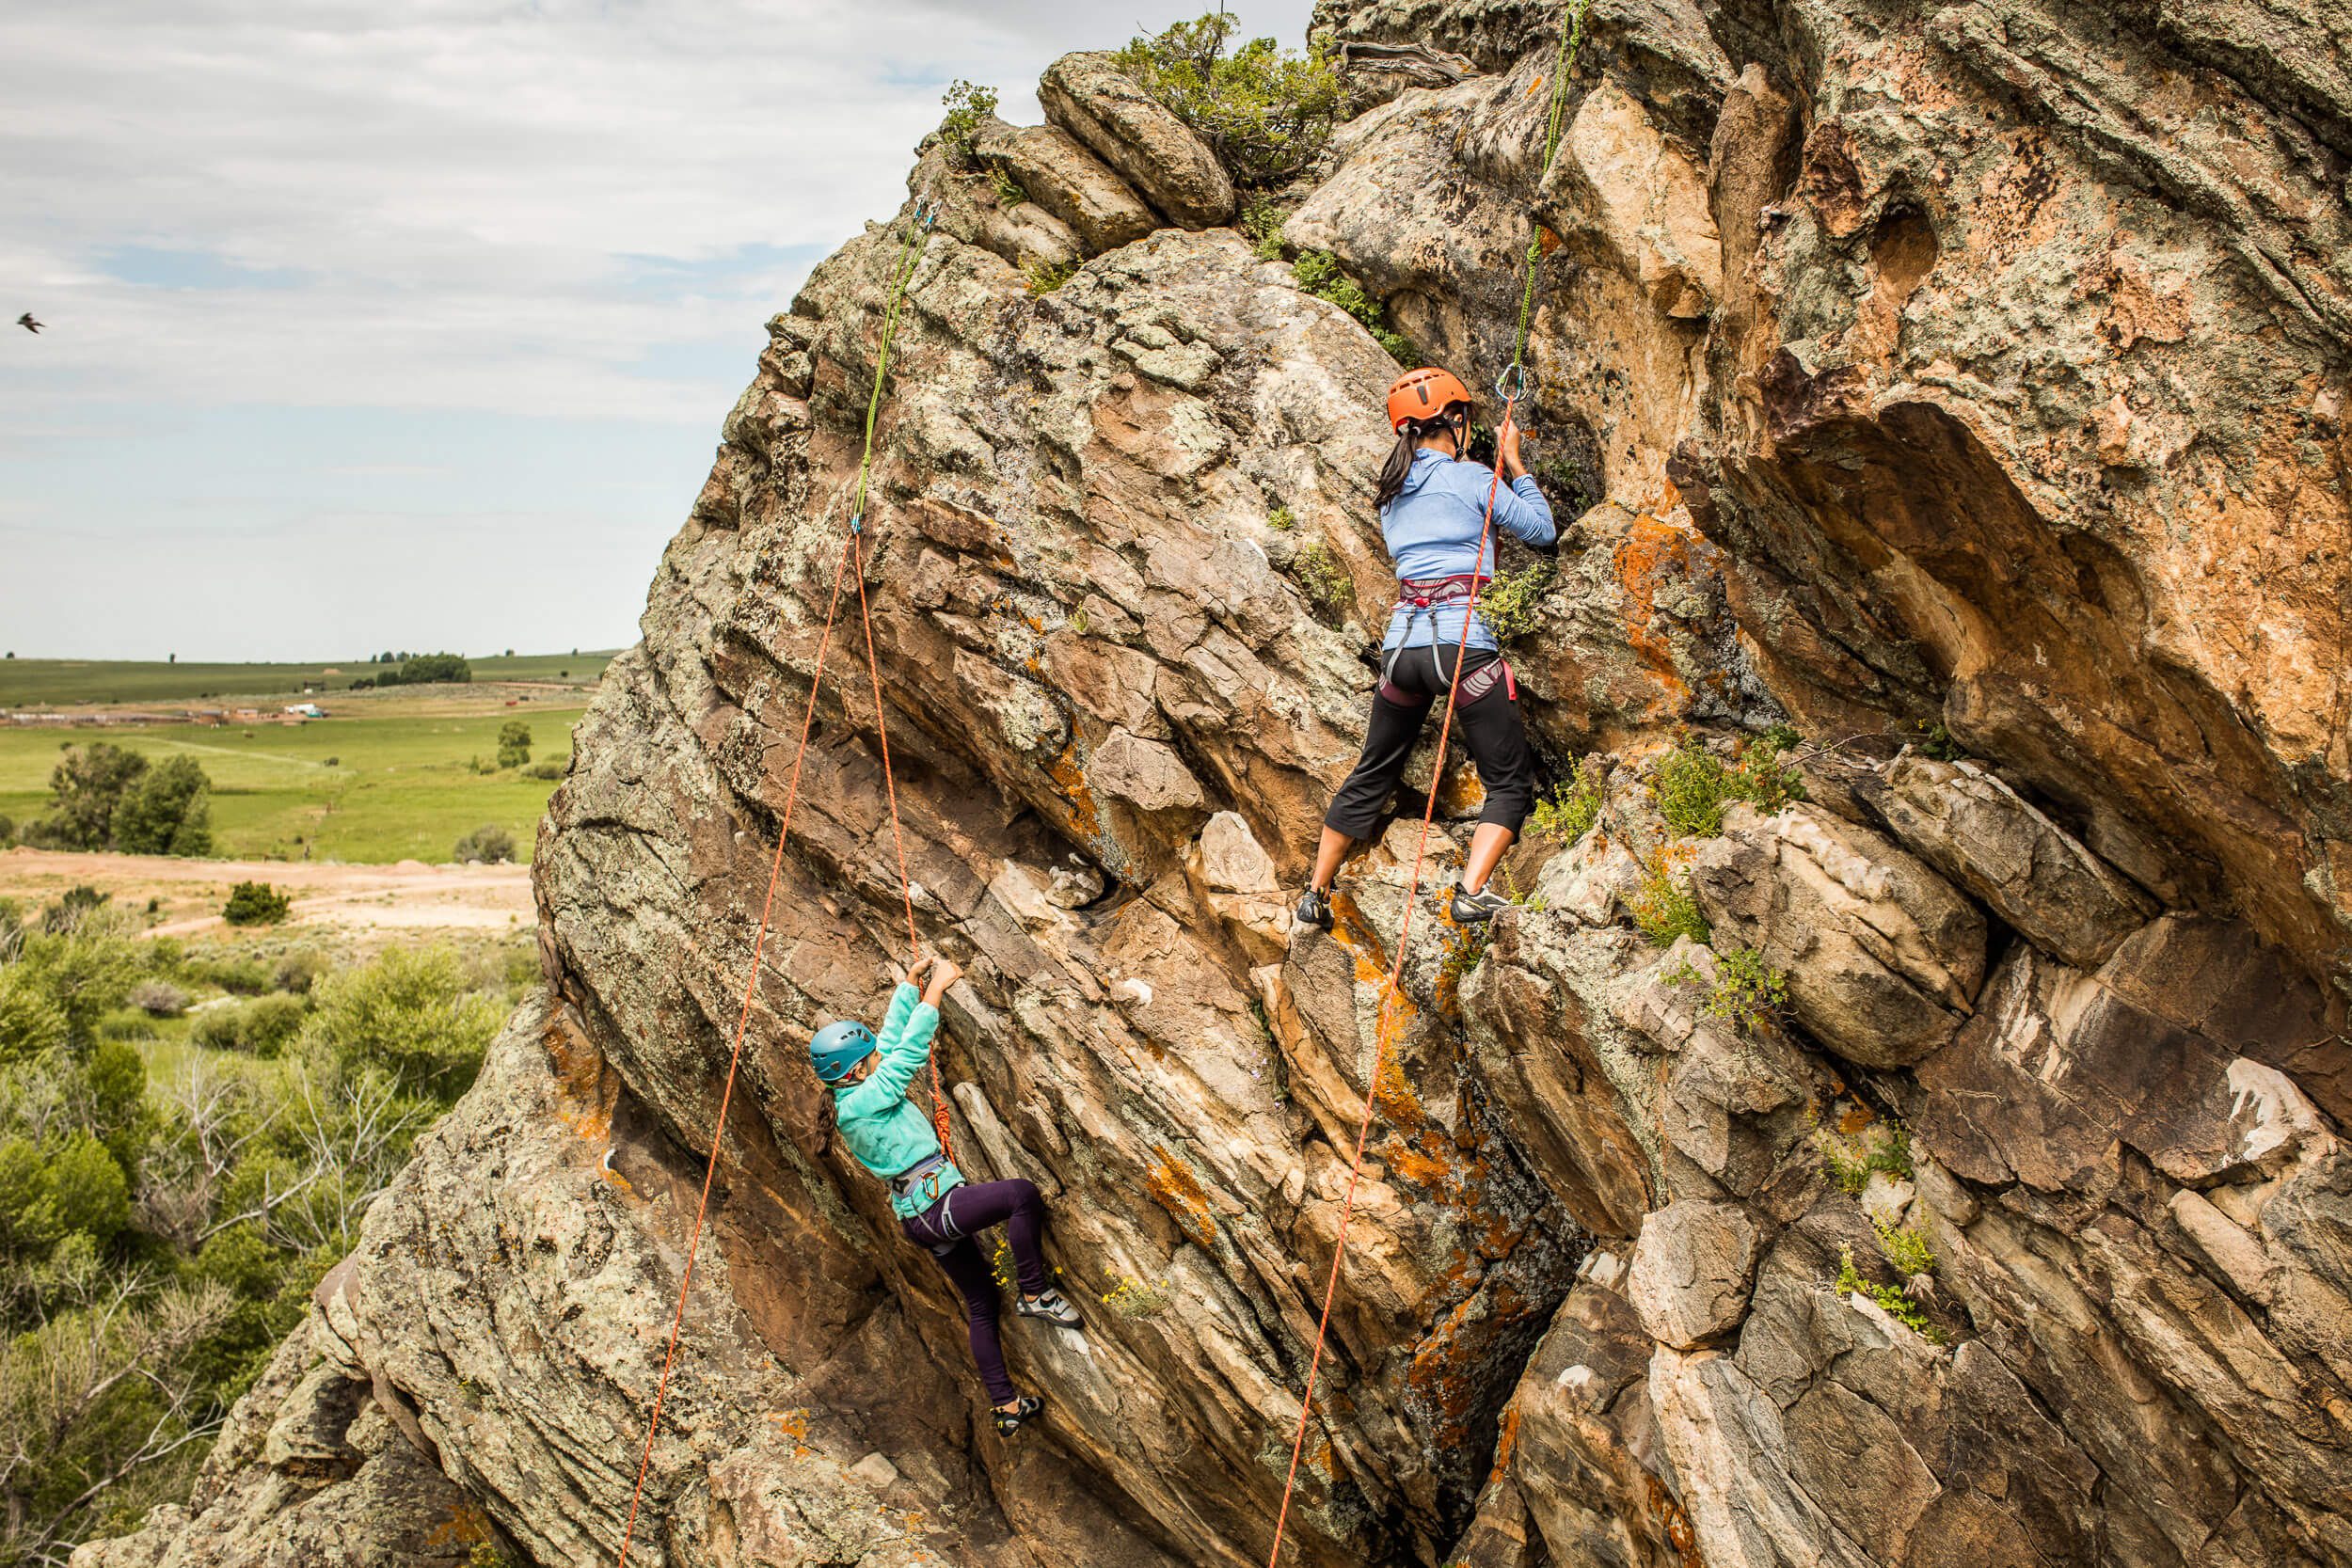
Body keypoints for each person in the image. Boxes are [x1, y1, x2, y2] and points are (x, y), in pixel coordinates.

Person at [1295, 366, 1558, 930]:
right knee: (1509, 783)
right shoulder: (1472, 480)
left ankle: (1315, 892)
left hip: (1403, 651)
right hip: (1463, 646)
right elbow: (1542, 532)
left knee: (1372, 772)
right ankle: (1470, 892)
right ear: (1454, 421)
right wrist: (1513, 464)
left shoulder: (1390, 496)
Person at [809, 953, 1082, 1435]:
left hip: (923, 1216)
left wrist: (909, 989)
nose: (877, 1061)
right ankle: (1035, 1293)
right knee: (1021, 1195)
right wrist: (936, 990)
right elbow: (904, 1059)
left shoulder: (854, 1093)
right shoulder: (861, 1104)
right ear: (853, 1073)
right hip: (935, 1208)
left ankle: (1006, 1405)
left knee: (980, 1303)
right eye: (867, 1060)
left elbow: (889, 1048)